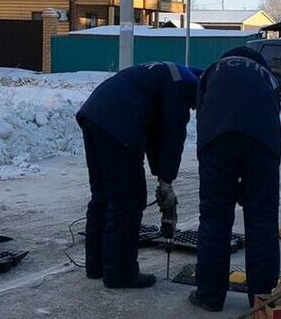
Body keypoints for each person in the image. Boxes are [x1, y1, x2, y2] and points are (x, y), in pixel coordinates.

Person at [76, 61, 201, 289]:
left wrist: (162, 174)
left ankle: (97, 265)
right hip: (118, 122)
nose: (192, 109)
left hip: (93, 114)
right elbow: (170, 137)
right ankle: (120, 273)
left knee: (103, 196)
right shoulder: (181, 86)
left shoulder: (168, 74)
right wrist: (166, 181)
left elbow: (155, 135)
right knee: (127, 200)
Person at [189, 45, 281, 312]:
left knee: (214, 219)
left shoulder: (211, 71)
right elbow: (272, 116)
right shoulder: (267, 75)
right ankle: (262, 298)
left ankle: (209, 295)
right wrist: (253, 186)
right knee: (263, 220)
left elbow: (202, 112)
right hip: (262, 146)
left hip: (216, 142)